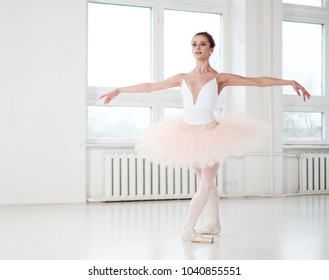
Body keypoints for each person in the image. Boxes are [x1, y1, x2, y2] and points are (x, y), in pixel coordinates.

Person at [100, 32, 311, 243]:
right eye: (194, 44)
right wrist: (119, 89)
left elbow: (256, 81)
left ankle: (188, 229)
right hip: (186, 136)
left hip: (211, 135)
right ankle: (215, 222)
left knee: (204, 184)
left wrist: (289, 81)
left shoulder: (219, 78)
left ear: (211, 49)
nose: (197, 47)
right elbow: (149, 87)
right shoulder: (181, 78)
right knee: (206, 182)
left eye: (202, 44)